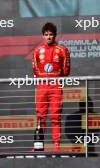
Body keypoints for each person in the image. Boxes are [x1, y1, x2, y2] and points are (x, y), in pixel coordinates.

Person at [32, 22, 70, 151]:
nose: (48, 37)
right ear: (42, 36)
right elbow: (35, 71)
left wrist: (54, 78)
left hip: (55, 86)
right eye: (46, 34)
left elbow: (66, 71)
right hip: (42, 86)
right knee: (40, 116)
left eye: (51, 35)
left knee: (55, 115)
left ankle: (56, 146)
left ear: (55, 35)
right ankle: (39, 146)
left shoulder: (62, 50)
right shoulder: (37, 50)